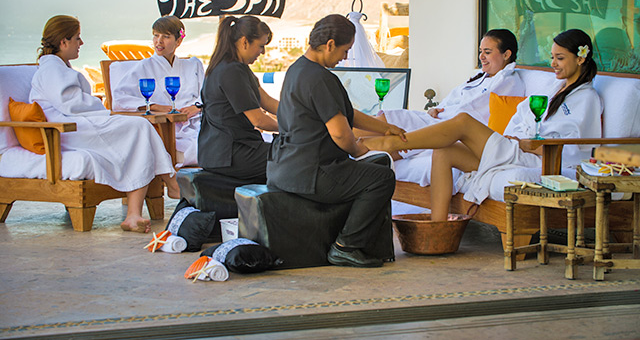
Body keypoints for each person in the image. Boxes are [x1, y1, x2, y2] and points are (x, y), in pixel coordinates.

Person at [362, 29, 601, 222]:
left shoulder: (586, 98)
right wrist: (517, 137)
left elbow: (575, 149)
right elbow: (521, 116)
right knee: (444, 151)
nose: (554, 64)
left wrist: (529, 143)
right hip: (514, 147)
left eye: (560, 58)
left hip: (534, 156)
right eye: (552, 57)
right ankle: (438, 226)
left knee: (464, 122)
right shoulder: (554, 88)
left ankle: (390, 142)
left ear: (580, 58)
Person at [267, 14, 407, 268]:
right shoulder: (320, 78)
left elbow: (348, 114)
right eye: (345, 50)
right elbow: (341, 133)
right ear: (330, 44)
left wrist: (386, 128)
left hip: (284, 168)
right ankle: (346, 246)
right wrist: (358, 149)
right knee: (381, 177)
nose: (345, 57)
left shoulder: (297, 69)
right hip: (312, 173)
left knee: (370, 171)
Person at [31, 15, 180, 233]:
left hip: (77, 123)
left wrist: (101, 110)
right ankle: (171, 184)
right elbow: (71, 103)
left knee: (139, 129)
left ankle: (135, 214)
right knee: (138, 128)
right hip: (64, 130)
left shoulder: (58, 66)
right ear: (63, 42)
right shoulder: (51, 69)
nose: (81, 44)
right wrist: (101, 107)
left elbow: (73, 102)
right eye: (77, 39)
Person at [358, 29, 525, 187]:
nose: (481, 57)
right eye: (481, 51)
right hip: (438, 119)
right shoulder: (480, 77)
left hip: (452, 128)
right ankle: (345, 144)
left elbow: (478, 113)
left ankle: (352, 150)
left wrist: (446, 115)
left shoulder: (509, 82)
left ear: (506, 54)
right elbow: (454, 100)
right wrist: (437, 109)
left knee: (396, 127)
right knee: (390, 119)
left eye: (487, 52)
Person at [111, 15, 204, 167]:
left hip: (196, 122)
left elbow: (207, 94)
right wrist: (154, 106)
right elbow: (119, 98)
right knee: (203, 147)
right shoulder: (143, 67)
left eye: (166, 37)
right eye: (155, 35)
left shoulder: (193, 65)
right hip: (165, 128)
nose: (158, 41)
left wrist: (197, 107)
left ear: (178, 41)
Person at [198, 15, 279, 182]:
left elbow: (268, 102)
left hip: (219, 151)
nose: (262, 52)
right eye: (261, 46)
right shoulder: (232, 71)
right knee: (297, 159)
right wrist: (293, 128)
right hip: (229, 154)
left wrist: (301, 114)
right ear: (244, 42)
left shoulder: (231, 67)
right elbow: (258, 120)